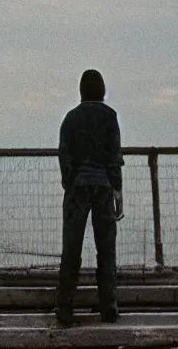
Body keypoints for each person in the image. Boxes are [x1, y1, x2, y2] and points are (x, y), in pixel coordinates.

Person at [55, 69, 124, 326]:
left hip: (78, 187)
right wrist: (117, 191)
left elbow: (64, 156)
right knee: (106, 248)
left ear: (81, 91)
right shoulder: (110, 117)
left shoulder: (71, 118)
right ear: (102, 90)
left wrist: (70, 183)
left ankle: (64, 308)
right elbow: (114, 158)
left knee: (71, 249)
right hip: (103, 186)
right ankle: (109, 307)